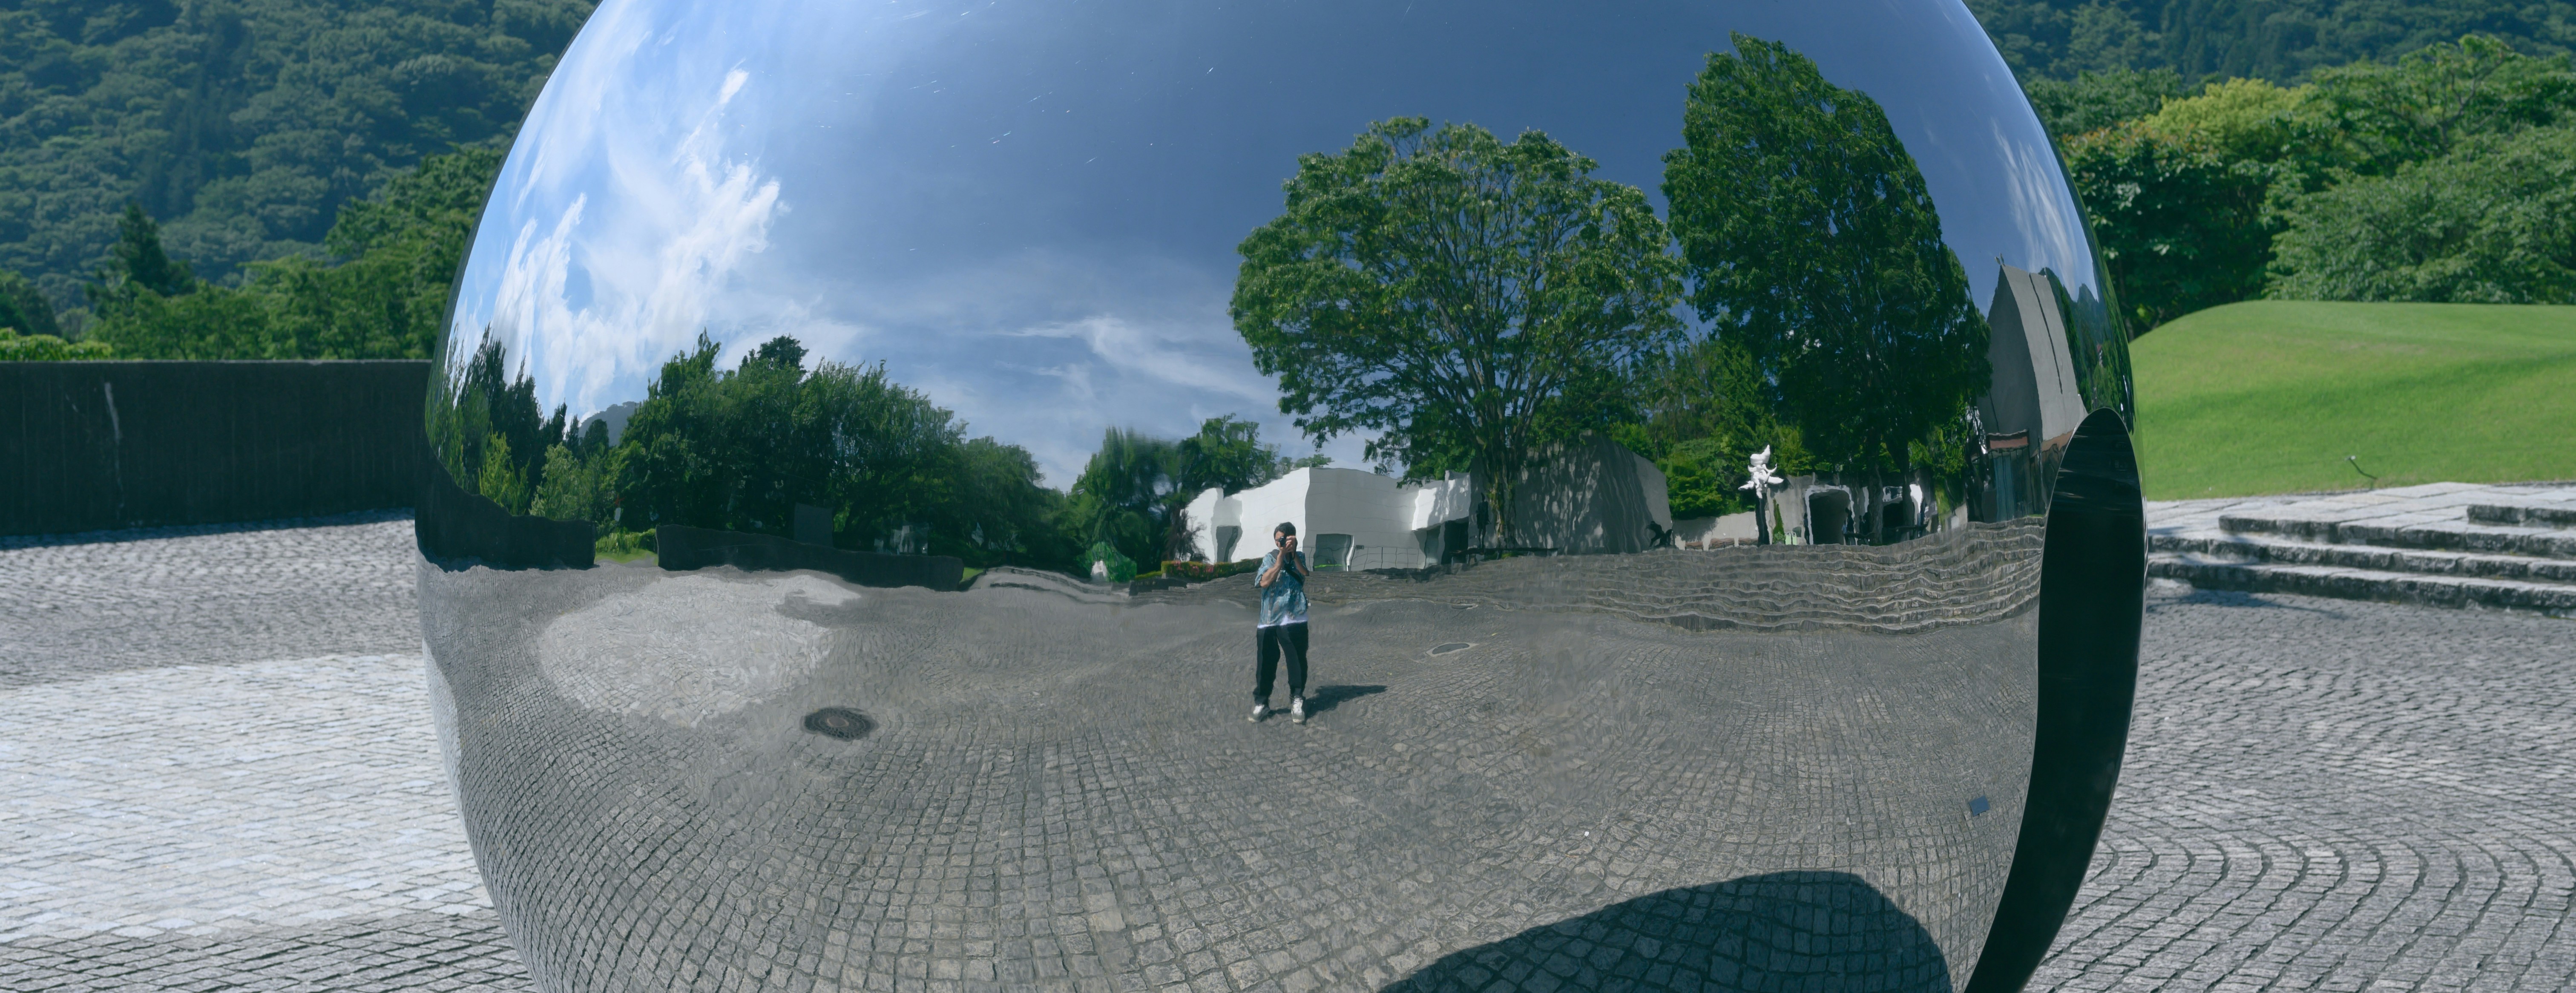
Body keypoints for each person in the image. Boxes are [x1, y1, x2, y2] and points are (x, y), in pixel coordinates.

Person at [1251, 522, 1312, 724]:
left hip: (1294, 618)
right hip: (1269, 619)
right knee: (1266, 661)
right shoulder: (1270, 558)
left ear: (1294, 539)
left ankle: (1297, 698)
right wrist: (1279, 561)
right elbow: (1263, 582)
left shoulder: (1299, 557)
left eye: (1285, 539)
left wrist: (1293, 555)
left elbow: (1304, 575)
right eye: (1279, 540)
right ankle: (1262, 702)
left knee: (1297, 660)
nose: (1281, 543)